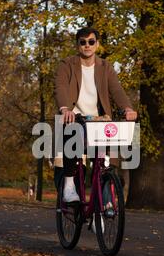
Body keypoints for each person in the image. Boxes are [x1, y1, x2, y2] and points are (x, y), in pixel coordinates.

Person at [54, 27, 137, 203]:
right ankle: (69, 185)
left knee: (106, 165)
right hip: (75, 117)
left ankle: (103, 206)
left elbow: (117, 90)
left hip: (100, 121)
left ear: (97, 45)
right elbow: (60, 87)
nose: (87, 45)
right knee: (72, 140)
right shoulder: (67, 64)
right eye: (83, 42)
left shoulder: (105, 67)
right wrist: (65, 109)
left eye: (91, 42)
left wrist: (127, 109)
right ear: (78, 45)